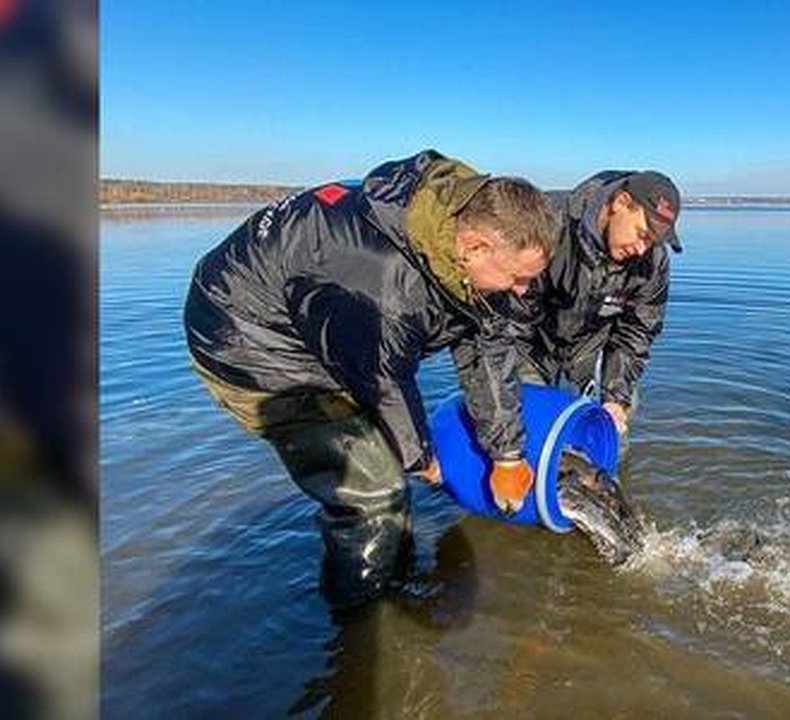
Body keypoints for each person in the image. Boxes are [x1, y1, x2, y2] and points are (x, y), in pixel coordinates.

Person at [183, 149, 556, 606]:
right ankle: (364, 627)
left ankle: (395, 575)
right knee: (375, 493)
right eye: (518, 278)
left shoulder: (460, 230)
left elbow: (490, 350)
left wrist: (508, 455)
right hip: (244, 335)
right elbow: (382, 380)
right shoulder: (380, 285)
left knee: (389, 463)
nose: (524, 291)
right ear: (474, 247)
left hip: (328, 322)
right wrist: (426, 463)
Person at [513, 170, 682, 436]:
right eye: (641, 233)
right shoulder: (547, 221)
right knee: (533, 433)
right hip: (529, 347)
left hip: (592, 354)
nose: (642, 249)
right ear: (621, 203)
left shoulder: (652, 260)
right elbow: (506, 310)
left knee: (612, 426)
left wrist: (616, 398)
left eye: (652, 241)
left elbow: (638, 330)